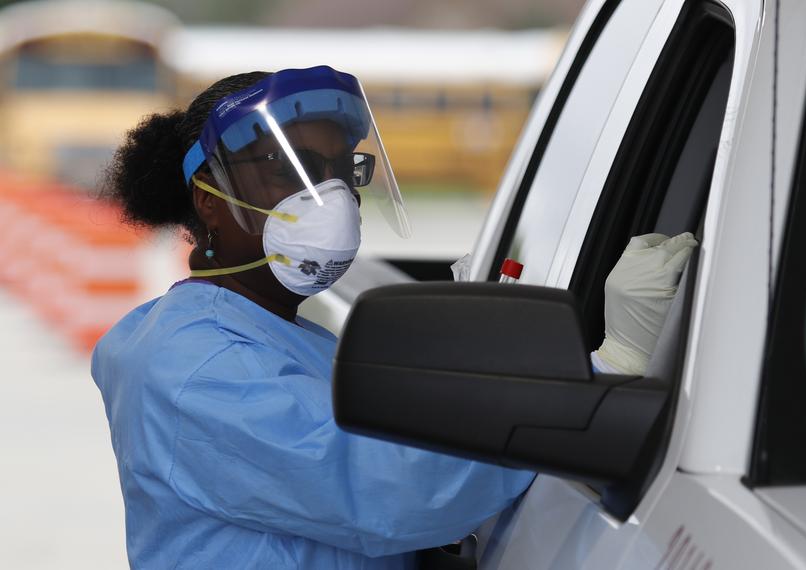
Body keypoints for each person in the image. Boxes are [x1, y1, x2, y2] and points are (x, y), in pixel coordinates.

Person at [93, 66, 696, 569]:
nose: (329, 196)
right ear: (209, 200)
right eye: (291, 169)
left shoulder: (283, 333)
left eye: (339, 170)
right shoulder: (198, 366)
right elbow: (387, 490)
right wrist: (605, 373)